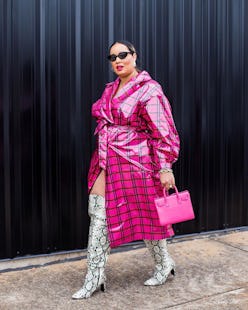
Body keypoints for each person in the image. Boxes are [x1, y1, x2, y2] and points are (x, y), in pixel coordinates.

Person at [72, 40, 180, 299]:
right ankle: (94, 277)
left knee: (149, 218)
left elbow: (163, 131)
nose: (117, 60)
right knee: (98, 214)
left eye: (123, 55)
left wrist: (165, 167)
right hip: (107, 159)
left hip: (138, 163)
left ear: (134, 56)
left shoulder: (149, 90)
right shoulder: (110, 90)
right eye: (112, 57)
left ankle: (164, 264)